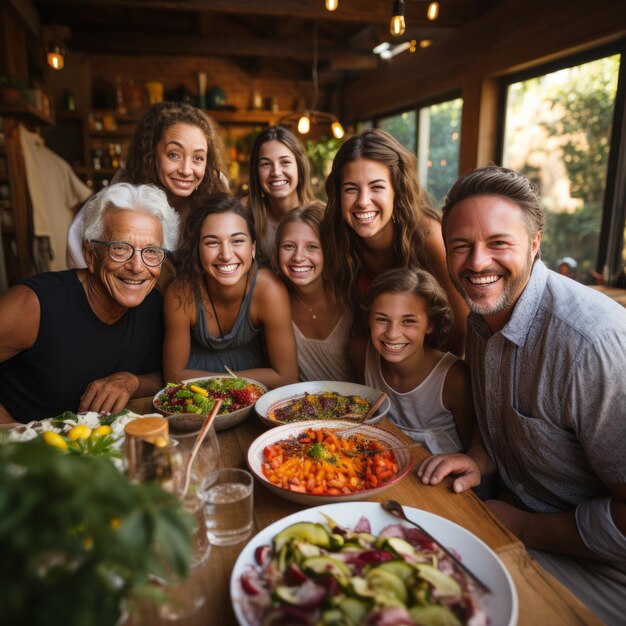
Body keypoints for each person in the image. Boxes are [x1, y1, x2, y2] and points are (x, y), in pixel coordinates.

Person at [417, 165, 626, 625]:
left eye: (498, 243)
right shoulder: (483, 314)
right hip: (511, 518)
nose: (476, 263)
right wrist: (479, 458)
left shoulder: (590, 343)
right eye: (461, 247)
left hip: (606, 568)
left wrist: (524, 527)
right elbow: (503, 427)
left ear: (534, 245)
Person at [0, 183, 180, 424]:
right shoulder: (34, 304)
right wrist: (15, 436)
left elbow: (162, 376)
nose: (137, 267)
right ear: (90, 255)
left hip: (91, 452)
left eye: (150, 252)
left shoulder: (152, 305)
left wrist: (130, 381)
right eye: (120, 248)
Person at [319, 128, 468, 355]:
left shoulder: (429, 237)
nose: (363, 201)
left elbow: (462, 330)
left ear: (396, 190)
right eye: (351, 189)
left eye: (376, 187)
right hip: (377, 368)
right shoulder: (338, 239)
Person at [66, 101, 228, 269]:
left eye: (198, 158)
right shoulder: (121, 195)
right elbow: (76, 242)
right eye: (174, 155)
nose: (187, 170)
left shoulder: (214, 190)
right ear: (151, 153)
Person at [163, 192, 298, 389]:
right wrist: (231, 383)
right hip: (195, 398)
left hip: (253, 397)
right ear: (197, 251)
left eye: (237, 241)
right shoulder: (181, 293)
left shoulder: (269, 290)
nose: (226, 255)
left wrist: (216, 381)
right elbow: (173, 377)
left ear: (252, 248)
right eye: (212, 242)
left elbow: (286, 377)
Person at [350, 268, 474, 454]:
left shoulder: (454, 378)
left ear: (430, 324)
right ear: (369, 319)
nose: (392, 334)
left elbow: (475, 454)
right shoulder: (361, 353)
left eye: (408, 321)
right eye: (382, 319)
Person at [274, 202, 357, 382]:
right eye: (288, 246)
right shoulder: (275, 301)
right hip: (302, 406)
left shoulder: (351, 298)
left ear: (328, 250)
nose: (298, 257)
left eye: (312, 247)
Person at [247, 125, 317, 261]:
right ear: (256, 172)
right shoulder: (246, 217)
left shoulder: (321, 218)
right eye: (266, 164)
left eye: (285, 162)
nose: (276, 172)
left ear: (300, 168)